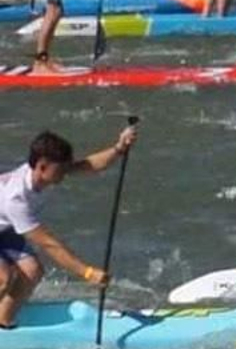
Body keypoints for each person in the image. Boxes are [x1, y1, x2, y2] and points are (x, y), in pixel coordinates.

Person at [0, 122, 138, 325]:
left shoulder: (46, 173)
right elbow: (48, 244)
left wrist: (119, 148)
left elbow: (89, 165)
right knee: (3, 278)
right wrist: (87, 272)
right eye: (62, 169)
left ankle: (3, 322)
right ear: (42, 166)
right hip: (6, 222)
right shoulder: (15, 199)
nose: (66, 173)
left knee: (32, 270)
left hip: (4, 228)